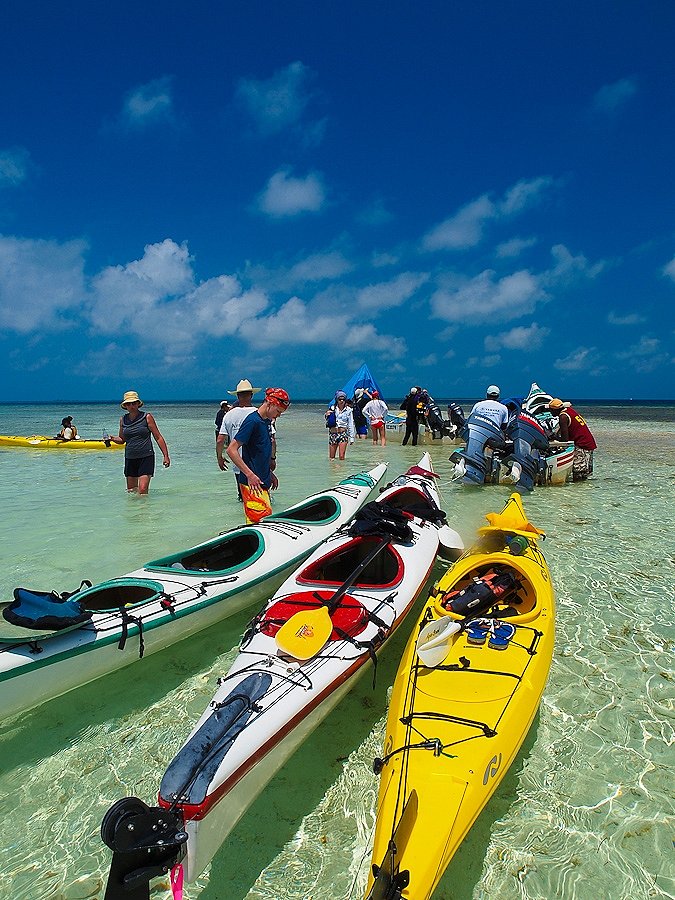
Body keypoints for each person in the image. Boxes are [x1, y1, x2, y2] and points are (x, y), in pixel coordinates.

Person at [226, 387, 290, 523]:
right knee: (259, 524)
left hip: (262, 482)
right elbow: (231, 450)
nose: (279, 415)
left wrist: (269, 473)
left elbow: (260, 452)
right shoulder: (252, 421)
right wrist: (250, 475)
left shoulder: (266, 422)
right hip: (252, 485)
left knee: (265, 521)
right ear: (270, 403)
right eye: (278, 411)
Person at [108, 391, 170, 494]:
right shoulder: (123, 420)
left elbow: (158, 437)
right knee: (131, 491)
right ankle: (133, 510)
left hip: (146, 456)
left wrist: (166, 456)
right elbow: (122, 439)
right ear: (125, 406)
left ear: (138, 404)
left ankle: (145, 510)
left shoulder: (147, 417)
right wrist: (112, 438)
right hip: (130, 458)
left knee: (142, 490)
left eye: (133, 403)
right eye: (128, 404)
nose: (131, 406)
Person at [216, 379, 261, 500]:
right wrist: (272, 459)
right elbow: (269, 440)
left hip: (238, 464)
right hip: (256, 463)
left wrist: (219, 457)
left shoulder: (229, 415)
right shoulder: (258, 413)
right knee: (260, 501)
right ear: (251, 395)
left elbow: (220, 440)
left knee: (243, 498)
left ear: (237, 395)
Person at [548, 397, 597, 481]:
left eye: (551, 410)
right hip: (588, 442)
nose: (550, 412)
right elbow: (563, 429)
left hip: (582, 445)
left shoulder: (563, 417)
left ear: (555, 410)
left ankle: (578, 492)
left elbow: (565, 439)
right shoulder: (569, 411)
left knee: (578, 473)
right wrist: (556, 434)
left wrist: (553, 437)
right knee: (583, 474)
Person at [325, 390, 355, 459]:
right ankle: (333, 469)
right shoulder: (333, 408)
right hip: (333, 433)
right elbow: (328, 420)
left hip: (343, 433)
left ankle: (341, 469)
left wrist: (352, 438)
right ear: (337, 400)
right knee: (331, 457)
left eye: (343, 399)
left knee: (341, 456)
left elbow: (350, 424)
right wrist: (326, 415)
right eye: (340, 399)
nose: (341, 401)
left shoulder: (349, 410)